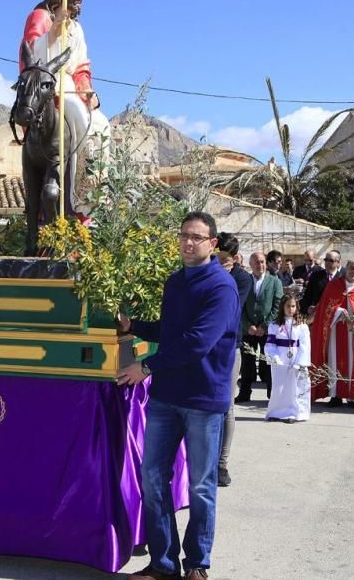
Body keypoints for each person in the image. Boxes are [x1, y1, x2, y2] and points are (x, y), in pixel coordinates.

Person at [117, 212, 239, 580]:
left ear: (212, 244)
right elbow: (170, 332)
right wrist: (133, 326)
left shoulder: (221, 287)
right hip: (167, 396)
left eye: (197, 237)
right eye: (184, 235)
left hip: (203, 399)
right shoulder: (175, 283)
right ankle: (163, 563)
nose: (188, 242)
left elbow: (197, 342)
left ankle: (197, 564)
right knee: (153, 477)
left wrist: (147, 367)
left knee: (201, 485)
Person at [21, 0, 111, 206]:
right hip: (48, 87)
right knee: (79, 114)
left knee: (101, 123)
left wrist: (87, 90)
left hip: (71, 86)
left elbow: (81, 65)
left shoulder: (77, 29)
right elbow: (30, 54)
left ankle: (93, 189)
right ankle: (79, 191)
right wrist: (52, 32)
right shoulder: (40, 17)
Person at [309, 259, 354, 409]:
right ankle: (335, 395)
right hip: (335, 333)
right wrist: (338, 312)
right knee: (334, 361)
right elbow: (324, 310)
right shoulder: (334, 286)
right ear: (346, 268)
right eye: (352, 268)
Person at [216, 231, 252, 488]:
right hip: (205, 348)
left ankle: (222, 463)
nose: (218, 263)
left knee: (227, 406)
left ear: (235, 258)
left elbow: (227, 306)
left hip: (230, 347)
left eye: (223, 260)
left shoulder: (242, 278)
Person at [236, 252, 283, 403]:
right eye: (256, 262)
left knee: (268, 362)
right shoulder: (245, 281)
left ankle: (271, 393)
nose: (260, 265)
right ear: (250, 264)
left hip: (267, 329)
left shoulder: (274, 281)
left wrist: (265, 325)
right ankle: (244, 392)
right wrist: (247, 325)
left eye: (262, 262)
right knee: (247, 362)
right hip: (248, 329)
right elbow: (239, 305)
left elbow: (278, 306)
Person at [265, 295, 311, 423]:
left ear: (297, 307)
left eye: (293, 306)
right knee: (279, 387)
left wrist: (299, 363)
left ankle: (294, 413)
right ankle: (276, 412)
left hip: (295, 360)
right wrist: (274, 357)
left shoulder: (301, 326)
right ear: (282, 307)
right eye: (288, 306)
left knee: (294, 388)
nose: (290, 309)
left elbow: (305, 346)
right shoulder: (274, 325)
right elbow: (270, 344)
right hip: (280, 360)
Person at [300, 250, 343, 319]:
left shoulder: (342, 278)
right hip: (318, 317)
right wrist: (307, 309)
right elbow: (307, 296)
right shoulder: (316, 276)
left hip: (336, 318)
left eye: (331, 261)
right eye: (326, 260)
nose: (327, 263)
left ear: (338, 263)